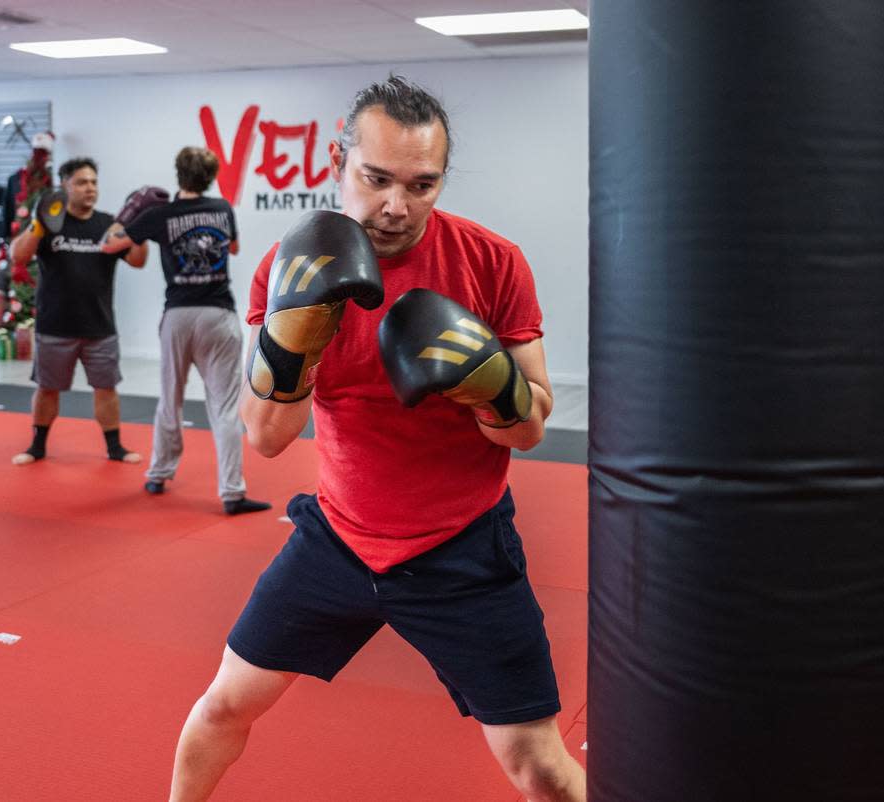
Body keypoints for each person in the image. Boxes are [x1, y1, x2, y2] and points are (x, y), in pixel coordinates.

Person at [169, 76, 586, 802]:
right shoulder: (289, 267)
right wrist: (294, 347)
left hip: (462, 549)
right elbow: (267, 437)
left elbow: (531, 428)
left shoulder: (493, 262)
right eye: (378, 179)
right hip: (338, 540)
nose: (397, 206)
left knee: (538, 763)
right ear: (338, 161)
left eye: (422, 185)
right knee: (222, 707)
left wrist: (490, 384)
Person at [101, 148, 271, 516]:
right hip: (218, 314)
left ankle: (158, 474)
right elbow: (235, 248)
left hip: (178, 315)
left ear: (178, 174)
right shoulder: (223, 209)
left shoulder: (159, 215)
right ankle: (232, 493)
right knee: (225, 407)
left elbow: (110, 243)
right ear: (209, 177)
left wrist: (129, 214)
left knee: (169, 398)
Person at [9, 157, 148, 466]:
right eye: (82, 182)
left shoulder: (107, 225)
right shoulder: (48, 223)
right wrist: (38, 223)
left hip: (98, 325)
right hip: (55, 324)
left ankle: (115, 448)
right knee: (47, 389)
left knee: (106, 389)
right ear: (65, 186)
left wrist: (139, 228)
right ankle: (37, 445)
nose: (90, 189)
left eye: (94, 182)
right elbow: (18, 256)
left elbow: (138, 260)